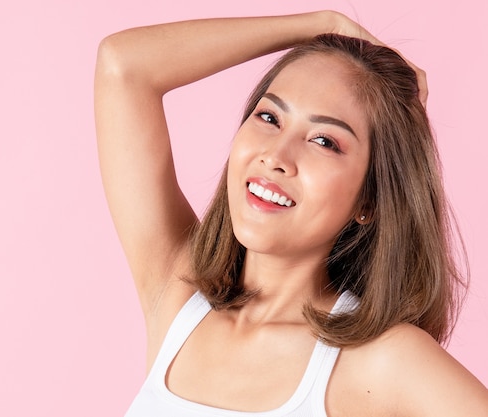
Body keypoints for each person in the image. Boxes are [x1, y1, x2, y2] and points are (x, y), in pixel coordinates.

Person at [94, 10, 488, 417]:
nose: (276, 157)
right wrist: (322, 25)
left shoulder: (382, 359)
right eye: (269, 117)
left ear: (368, 200)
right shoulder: (178, 298)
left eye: (324, 141)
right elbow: (122, 66)